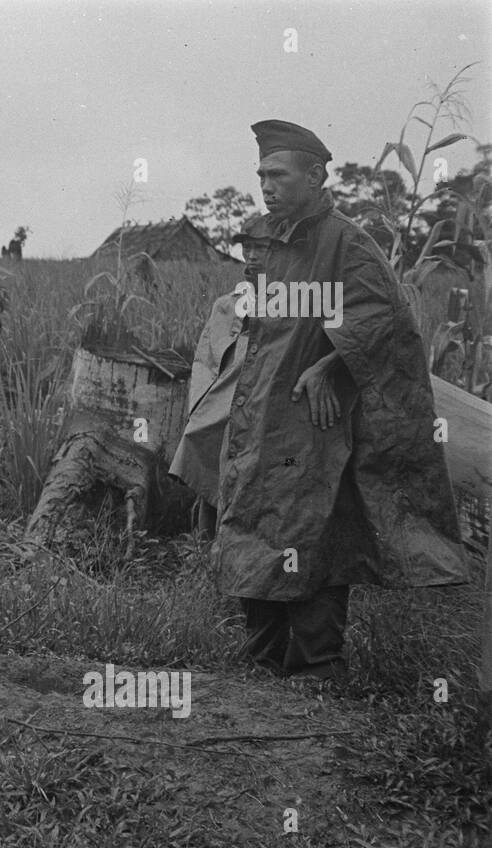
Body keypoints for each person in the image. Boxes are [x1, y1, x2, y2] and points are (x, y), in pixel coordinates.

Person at [214, 119, 468, 684]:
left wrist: (333, 364)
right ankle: (262, 664)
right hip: (261, 410)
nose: (266, 185)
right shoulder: (266, 240)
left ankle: (316, 668)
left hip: (312, 419)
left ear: (316, 175)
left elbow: (390, 316)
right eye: (261, 175)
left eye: (278, 174)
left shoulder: (346, 241)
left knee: (311, 527)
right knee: (256, 522)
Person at [170, 215, 269, 536]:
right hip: (224, 393)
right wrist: (201, 406)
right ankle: (209, 532)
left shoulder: (293, 301)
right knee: (205, 434)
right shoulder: (227, 304)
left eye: (261, 248)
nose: (252, 255)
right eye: (248, 248)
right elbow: (206, 359)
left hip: (263, 395)